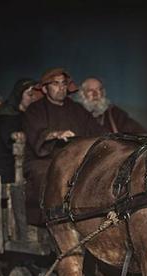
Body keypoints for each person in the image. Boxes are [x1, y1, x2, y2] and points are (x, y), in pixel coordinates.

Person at [22, 67, 108, 224]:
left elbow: (98, 131)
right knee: (48, 176)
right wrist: (55, 134)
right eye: (55, 84)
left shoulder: (77, 109)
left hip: (76, 160)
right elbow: (36, 136)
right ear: (45, 88)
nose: (61, 87)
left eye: (63, 83)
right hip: (45, 160)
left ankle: (90, 221)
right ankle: (54, 221)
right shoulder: (35, 110)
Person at [0, 79, 41, 184]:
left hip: (15, 161)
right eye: (30, 95)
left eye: (35, 95)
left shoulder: (28, 115)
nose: (33, 98)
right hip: (0, 166)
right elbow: (11, 141)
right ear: (19, 95)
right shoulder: (7, 115)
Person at [77, 77, 146, 134]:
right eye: (90, 90)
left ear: (103, 93)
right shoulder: (75, 113)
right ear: (82, 94)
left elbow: (138, 131)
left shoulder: (114, 113)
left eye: (98, 89)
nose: (95, 94)